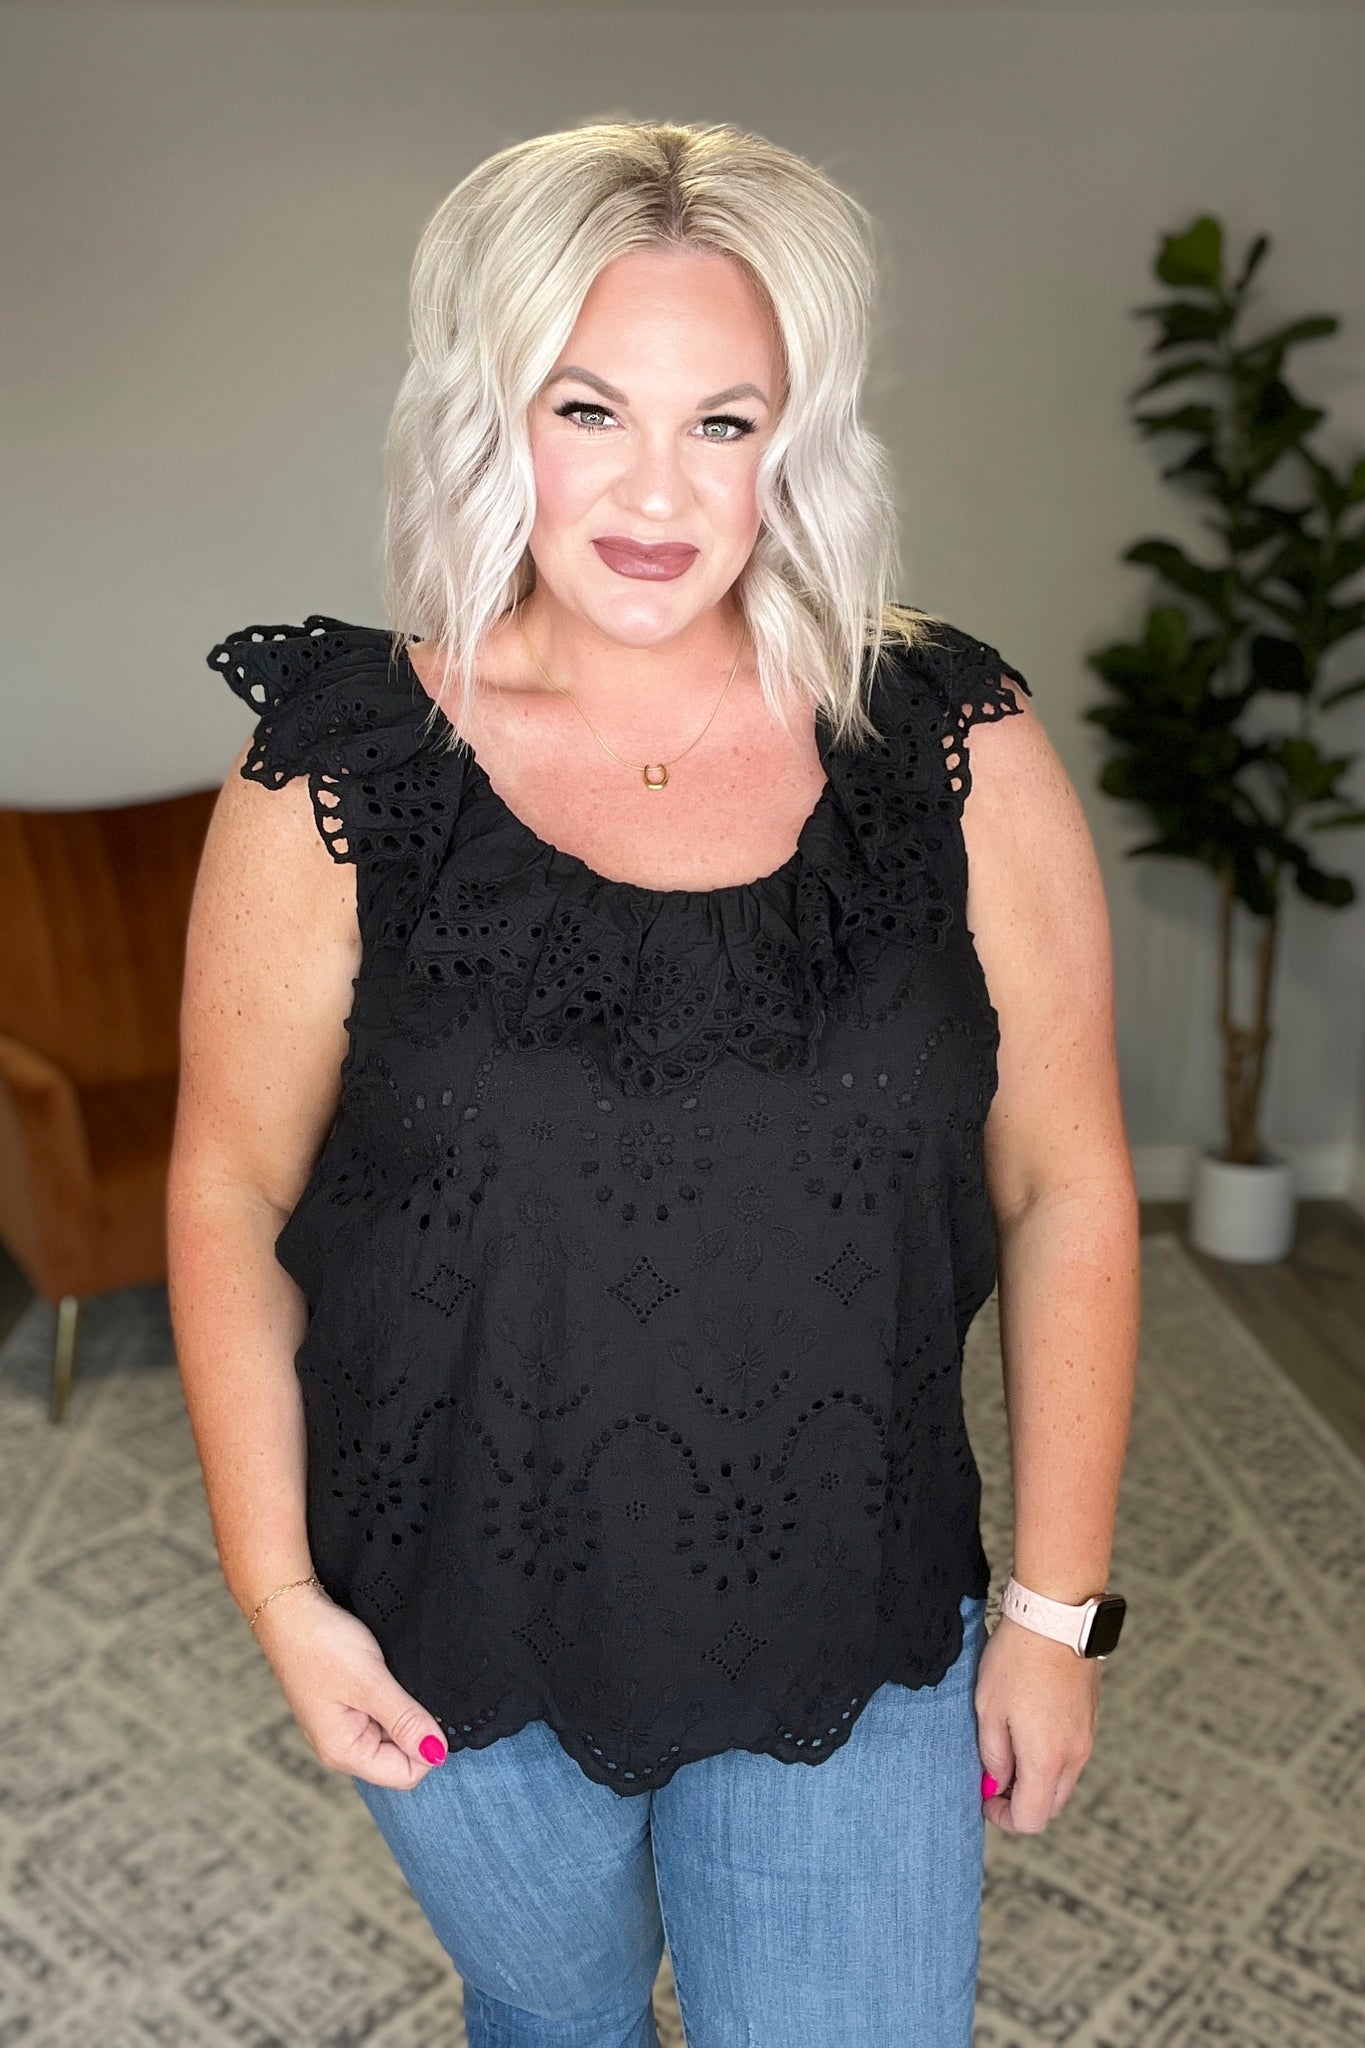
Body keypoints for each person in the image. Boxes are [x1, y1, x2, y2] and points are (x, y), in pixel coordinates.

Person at [169, 117, 1138, 2048]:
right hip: (446, 1614)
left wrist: (1053, 1614)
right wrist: (280, 1594)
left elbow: (1067, 1186)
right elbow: (228, 1192)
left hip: (852, 1611)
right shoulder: (343, 769)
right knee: (559, 2025)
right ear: (491, 413)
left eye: (724, 421)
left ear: (800, 441)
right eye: (588, 407)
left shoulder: (947, 743)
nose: (655, 491)